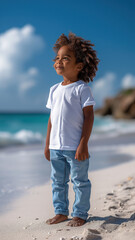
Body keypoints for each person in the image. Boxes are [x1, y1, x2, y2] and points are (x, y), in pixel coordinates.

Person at [44, 32, 99, 227]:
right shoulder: (54, 90)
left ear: (79, 66)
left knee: (80, 182)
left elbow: (89, 117)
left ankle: (80, 213)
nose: (59, 61)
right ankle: (60, 212)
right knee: (57, 182)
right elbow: (52, 119)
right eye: (57, 58)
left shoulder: (81, 89)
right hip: (56, 147)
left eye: (65, 58)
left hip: (75, 147)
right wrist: (47, 144)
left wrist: (83, 144)